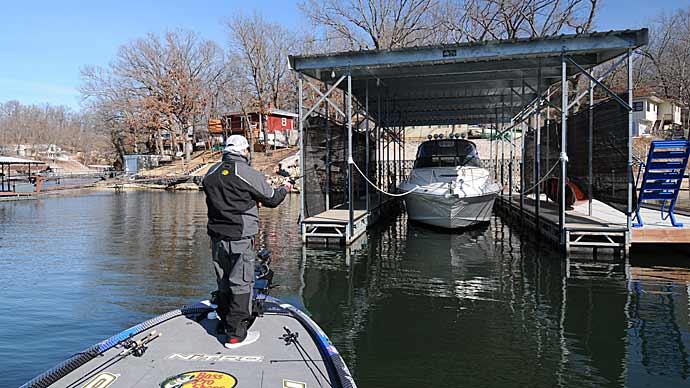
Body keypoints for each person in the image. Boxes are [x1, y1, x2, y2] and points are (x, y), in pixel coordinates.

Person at [202, 134, 292, 348]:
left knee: (223, 280)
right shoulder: (248, 173)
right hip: (240, 236)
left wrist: (249, 202)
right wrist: (285, 188)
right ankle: (236, 334)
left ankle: (224, 322)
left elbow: (225, 198)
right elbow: (272, 199)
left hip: (216, 236)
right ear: (244, 152)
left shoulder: (210, 173)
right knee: (241, 282)